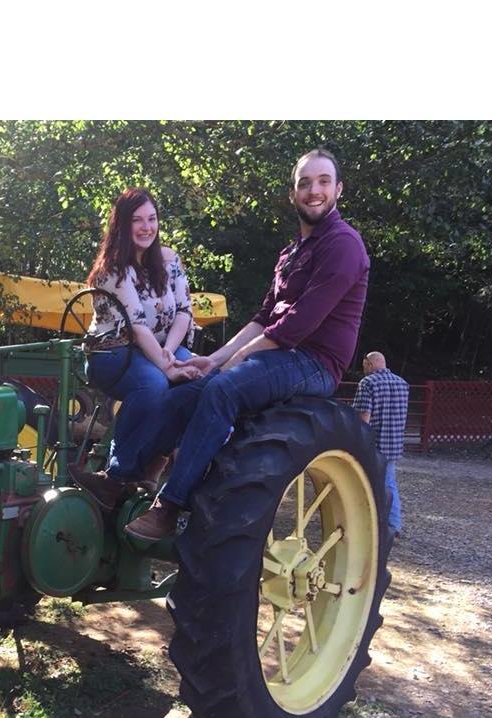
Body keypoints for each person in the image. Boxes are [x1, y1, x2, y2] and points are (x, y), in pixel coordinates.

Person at [76, 148, 370, 541]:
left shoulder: (343, 245)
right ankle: (121, 479)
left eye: (323, 182)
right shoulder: (292, 252)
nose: (313, 190)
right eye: (304, 183)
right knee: (185, 390)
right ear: (293, 193)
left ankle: (170, 507)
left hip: (313, 361)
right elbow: (263, 319)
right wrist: (211, 360)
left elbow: (296, 326)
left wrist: (231, 363)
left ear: (338, 189)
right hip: (281, 352)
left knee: (222, 389)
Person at [79, 188, 200, 492]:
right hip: (113, 352)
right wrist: (166, 367)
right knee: (153, 384)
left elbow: (184, 311)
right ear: (122, 224)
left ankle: (156, 462)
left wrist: (168, 353)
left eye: (152, 219)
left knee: (203, 379)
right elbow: (137, 326)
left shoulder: (169, 259)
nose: (147, 227)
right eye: (137, 220)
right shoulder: (114, 269)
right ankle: (117, 476)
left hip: (158, 348)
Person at [353, 351, 409, 537]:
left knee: (367, 482)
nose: (363, 369)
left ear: (369, 364)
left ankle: (381, 524)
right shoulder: (402, 383)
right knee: (389, 481)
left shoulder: (368, 383)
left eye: (364, 366)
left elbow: (364, 418)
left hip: (374, 443)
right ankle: (394, 523)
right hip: (394, 442)